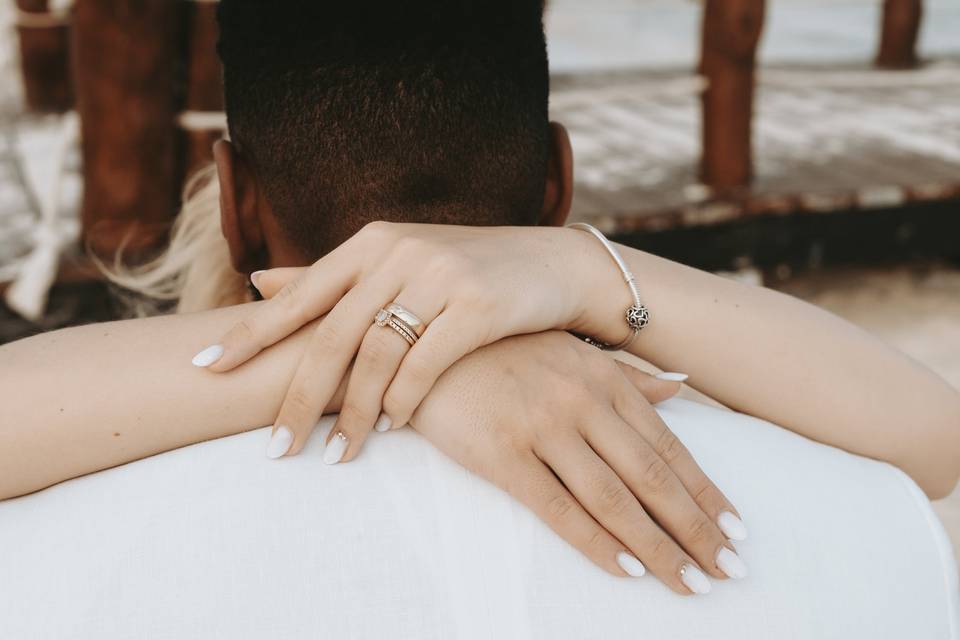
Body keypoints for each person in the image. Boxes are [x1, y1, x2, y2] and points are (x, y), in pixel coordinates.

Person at [0, 0, 957, 615]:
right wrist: (567, 285)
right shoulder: (851, 512)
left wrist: (352, 349)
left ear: (236, 205)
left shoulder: (49, 544)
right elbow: (936, 440)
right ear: (558, 183)